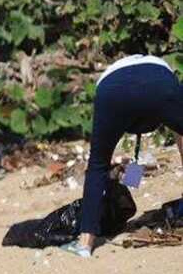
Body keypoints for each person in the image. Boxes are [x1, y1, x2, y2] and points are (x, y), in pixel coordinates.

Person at [67, 54, 183, 258]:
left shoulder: (108, 80)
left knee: (97, 164)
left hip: (113, 92)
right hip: (161, 82)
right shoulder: (163, 72)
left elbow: (98, 166)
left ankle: (85, 243)